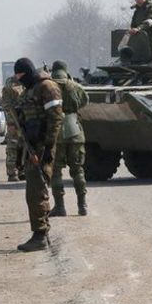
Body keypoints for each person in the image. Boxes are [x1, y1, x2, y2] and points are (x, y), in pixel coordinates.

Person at [13, 58, 63, 252]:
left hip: (42, 147)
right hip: (31, 146)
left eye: (21, 76)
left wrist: (49, 146)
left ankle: (40, 235)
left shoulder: (47, 87)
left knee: (37, 190)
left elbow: (56, 117)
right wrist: (19, 154)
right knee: (33, 192)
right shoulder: (29, 90)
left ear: (28, 72)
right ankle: (39, 231)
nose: (19, 80)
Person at [48, 60, 90, 217]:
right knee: (78, 169)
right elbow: (85, 101)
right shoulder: (75, 86)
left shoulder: (48, 85)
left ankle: (60, 207)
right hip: (74, 130)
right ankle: (82, 206)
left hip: (55, 131)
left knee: (56, 171)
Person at [1, 75, 25, 181]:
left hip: (26, 121)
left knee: (25, 147)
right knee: (13, 147)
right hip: (15, 122)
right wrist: (11, 123)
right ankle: (12, 172)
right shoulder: (10, 84)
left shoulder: (28, 83)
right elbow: (7, 106)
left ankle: (22, 170)